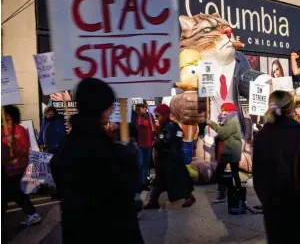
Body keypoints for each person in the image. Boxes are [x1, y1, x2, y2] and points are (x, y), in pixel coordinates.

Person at [55, 78, 144, 244]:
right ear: (102, 109)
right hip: (109, 231)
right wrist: (128, 155)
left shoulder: (69, 143)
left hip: (77, 231)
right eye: (110, 105)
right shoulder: (103, 148)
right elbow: (126, 188)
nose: (112, 109)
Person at [253, 90, 300, 244]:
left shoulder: (261, 136)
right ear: (290, 108)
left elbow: (257, 176)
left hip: (274, 210)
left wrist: (267, 201)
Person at [144, 104, 195, 209]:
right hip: (167, 159)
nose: (157, 118)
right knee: (160, 181)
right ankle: (153, 201)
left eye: (158, 116)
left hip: (170, 159)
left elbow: (167, 141)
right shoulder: (169, 125)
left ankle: (189, 197)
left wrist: (157, 141)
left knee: (176, 180)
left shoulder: (169, 125)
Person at [1, 105, 42, 226]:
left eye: (4, 113)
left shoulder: (20, 130)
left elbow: (25, 150)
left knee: (7, 192)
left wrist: (13, 144)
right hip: (4, 166)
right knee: (12, 191)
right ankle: (32, 213)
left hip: (15, 167)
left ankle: (32, 213)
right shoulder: (2, 130)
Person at [206, 103, 243, 203]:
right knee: (233, 173)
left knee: (220, 172)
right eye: (222, 110)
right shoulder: (229, 121)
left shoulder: (231, 121)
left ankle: (225, 193)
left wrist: (211, 123)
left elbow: (223, 134)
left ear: (230, 112)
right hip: (230, 150)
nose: (222, 112)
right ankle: (236, 193)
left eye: (225, 110)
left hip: (229, 151)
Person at [136, 103, 155, 190]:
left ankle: (144, 182)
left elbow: (152, 127)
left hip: (148, 143)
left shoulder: (150, 116)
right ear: (139, 108)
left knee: (146, 164)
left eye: (145, 107)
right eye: (142, 108)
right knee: (140, 164)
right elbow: (139, 124)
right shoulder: (137, 117)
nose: (144, 109)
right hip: (139, 144)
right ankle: (141, 182)